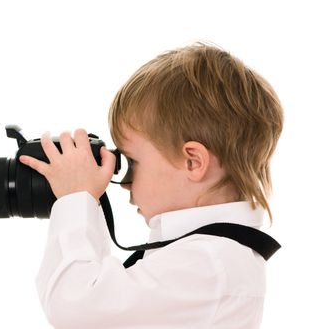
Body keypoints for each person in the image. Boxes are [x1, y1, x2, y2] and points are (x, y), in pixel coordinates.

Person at [19, 41, 284, 329]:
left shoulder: (208, 263)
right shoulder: (208, 255)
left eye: (132, 162)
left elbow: (77, 309)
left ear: (193, 162)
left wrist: (76, 198)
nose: (123, 183)